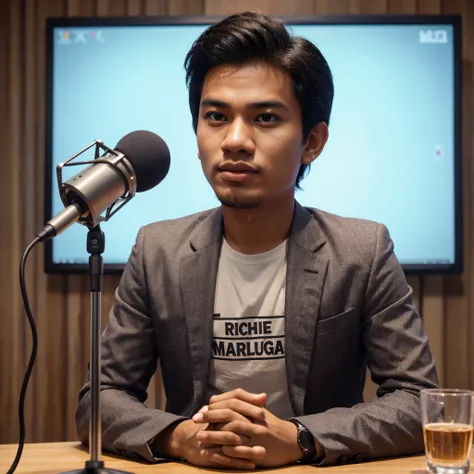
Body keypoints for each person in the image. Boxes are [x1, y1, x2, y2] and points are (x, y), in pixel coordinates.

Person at [76, 11, 438, 469]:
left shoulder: (362, 251)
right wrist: (179, 436)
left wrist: (302, 437)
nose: (235, 140)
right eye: (216, 117)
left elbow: (418, 400)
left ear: (312, 142)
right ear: (197, 132)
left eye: (265, 117)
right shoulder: (157, 251)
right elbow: (100, 400)